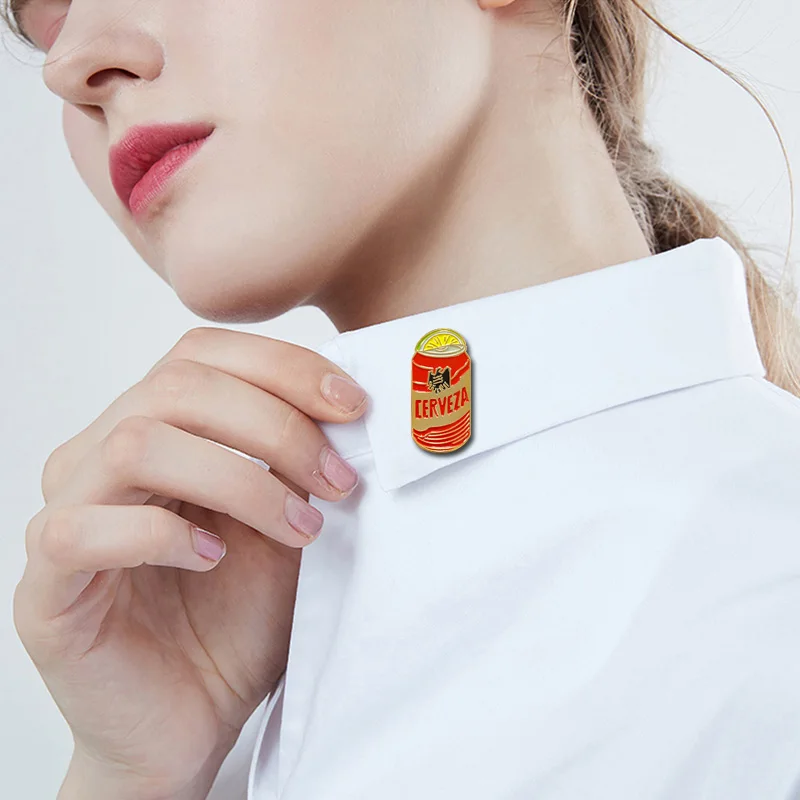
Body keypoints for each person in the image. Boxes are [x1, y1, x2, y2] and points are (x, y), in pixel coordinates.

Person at [5, 1, 800, 798]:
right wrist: (131, 776)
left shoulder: (762, 587)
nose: (69, 65)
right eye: (47, 28)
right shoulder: (212, 667)